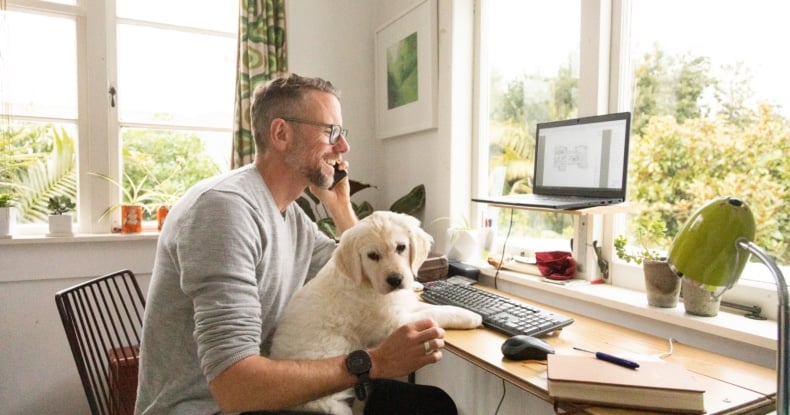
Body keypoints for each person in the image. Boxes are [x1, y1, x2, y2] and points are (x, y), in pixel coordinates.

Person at [135, 73, 457, 414]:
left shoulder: (288, 215)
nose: (343, 147)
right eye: (330, 132)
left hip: (262, 394)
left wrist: (340, 207)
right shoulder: (224, 210)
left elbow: (355, 274)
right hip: (214, 407)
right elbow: (235, 387)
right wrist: (372, 363)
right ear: (281, 134)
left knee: (430, 405)